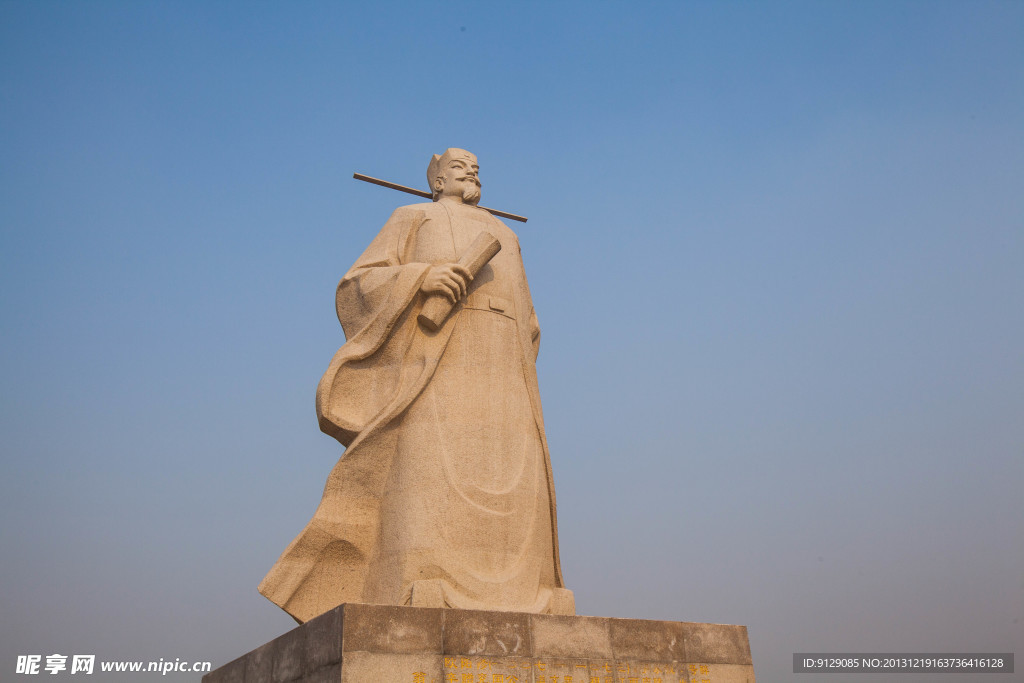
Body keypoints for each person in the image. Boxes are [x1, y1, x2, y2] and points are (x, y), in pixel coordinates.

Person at [259, 149, 574, 623]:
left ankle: (530, 588)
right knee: (429, 463)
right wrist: (424, 276)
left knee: (515, 466)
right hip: (437, 359)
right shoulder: (412, 216)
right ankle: (423, 577)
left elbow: (530, 320)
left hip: (505, 368)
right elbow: (357, 285)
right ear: (436, 181)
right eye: (458, 166)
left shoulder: (505, 234)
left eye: (475, 167)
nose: (471, 171)